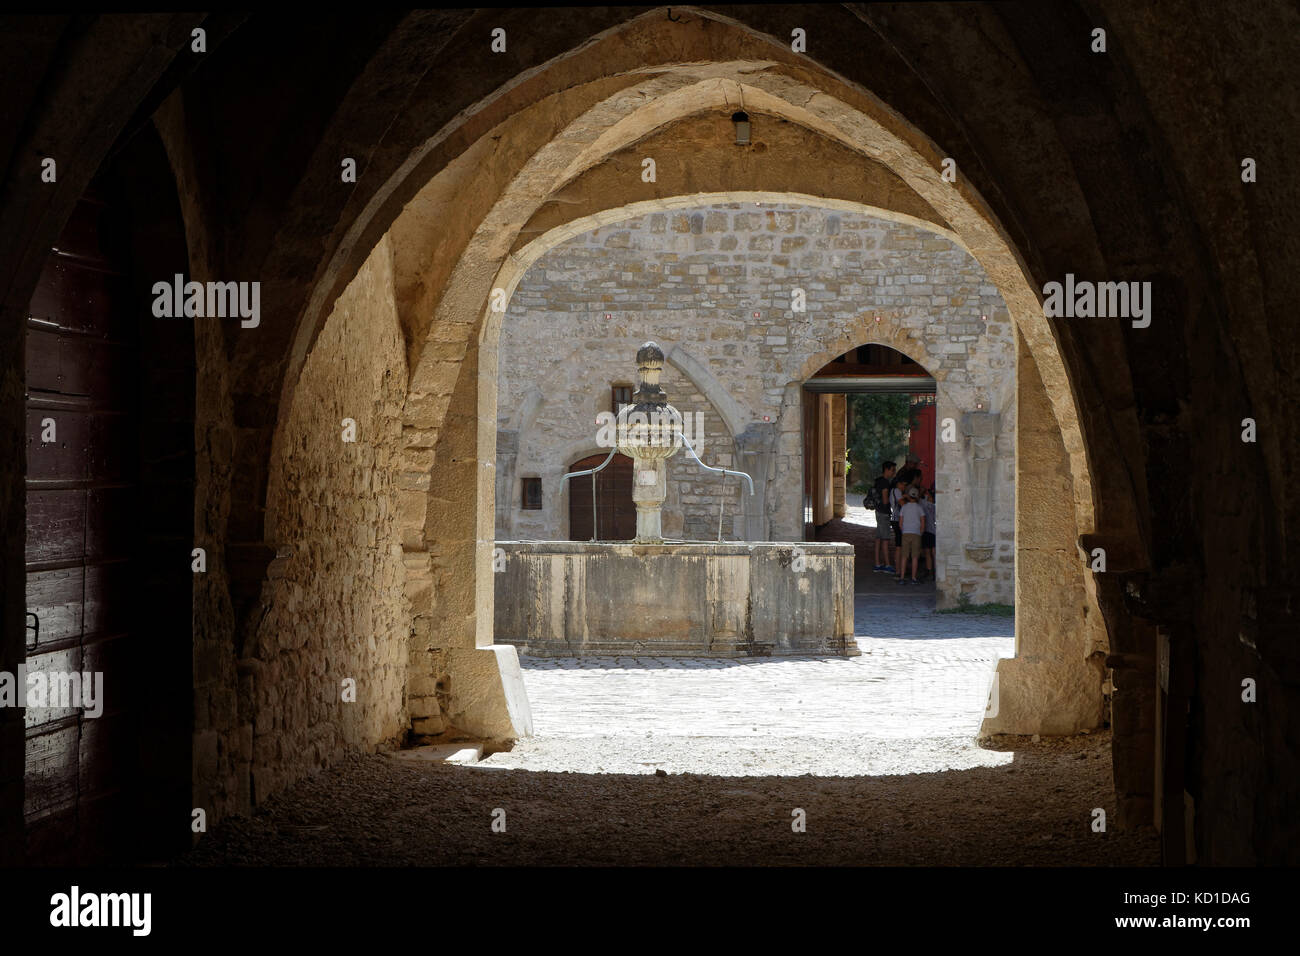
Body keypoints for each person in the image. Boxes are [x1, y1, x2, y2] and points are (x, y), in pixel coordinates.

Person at [896, 486, 926, 585]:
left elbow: (900, 522)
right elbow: (923, 522)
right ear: (917, 496)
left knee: (904, 556)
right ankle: (913, 578)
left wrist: (903, 530)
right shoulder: (919, 508)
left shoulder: (904, 507)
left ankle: (902, 577)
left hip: (906, 533)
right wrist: (921, 532)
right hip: (916, 533)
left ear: (908, 496)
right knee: (915, 557)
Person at [871, 461, 896, 573]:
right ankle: (887, 564)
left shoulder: (878, 481)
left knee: (878, 538)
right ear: (887, 469)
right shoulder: (885, 483)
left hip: (878, 511)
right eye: (892, 470)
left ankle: (877, 563)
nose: (893, 473)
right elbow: (885, 500)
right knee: (885, 538)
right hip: (884, 513)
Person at [920, 487, 937, 581]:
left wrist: (922, 491)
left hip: (927, 531)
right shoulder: (936, 506)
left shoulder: (925, 505)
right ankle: (935, 571)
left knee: (927, 552)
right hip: (934, 531)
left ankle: (929, 569)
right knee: (934, 552)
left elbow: (918, 499)